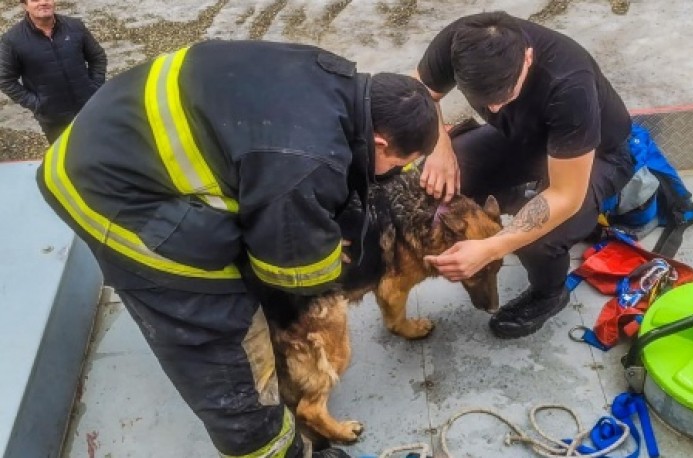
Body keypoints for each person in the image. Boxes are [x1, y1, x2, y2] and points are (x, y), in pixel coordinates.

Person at [36, 40, 438, 458]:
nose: (399, 174)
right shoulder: (301, 162)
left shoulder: (330, 78)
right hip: (114, 200)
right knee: (226, 346)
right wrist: (327, 251)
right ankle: (274, 449)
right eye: (400, 163)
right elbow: (292, 272)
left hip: (109, 140)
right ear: (379, 141)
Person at [418, 11, 635, 339]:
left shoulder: (568, 84)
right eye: (483, 100)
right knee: (438, 178)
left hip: (597, 155)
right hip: (525, 139)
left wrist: (492, 247)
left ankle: (549, 293)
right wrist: (438, 145)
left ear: (528, 58)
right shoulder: (462, 42)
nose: (492, 109)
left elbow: (564, 195)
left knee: (537, 236)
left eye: (503, 96)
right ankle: (516, 196)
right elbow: (419, 91)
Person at [0, 0, 106, 143]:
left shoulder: (75, 26)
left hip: (90, 108)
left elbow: (97, 57)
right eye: (35, 0)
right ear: (24, 5)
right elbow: (5, 79)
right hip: (54, 119)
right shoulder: (12, 40)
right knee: (67, 159)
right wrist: (37, 104)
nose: (43, 2)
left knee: (102, 148)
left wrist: (95, 87)